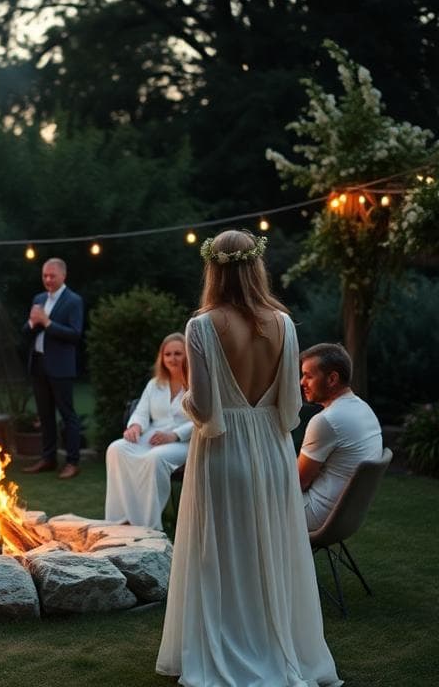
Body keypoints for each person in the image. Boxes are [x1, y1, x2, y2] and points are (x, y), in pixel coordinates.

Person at [157, 230, 339, 686]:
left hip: (224, 451)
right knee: (269, 554)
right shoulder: (284, 324)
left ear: (213, 268)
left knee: (221, 556)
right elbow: (291, 411)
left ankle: (230, 649)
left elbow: (204, 410)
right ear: (256, 265)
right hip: (273, 452)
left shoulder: (201, 326)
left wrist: (181, 404)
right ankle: (275, 646)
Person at [104, 333, 193, 530]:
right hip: (152, 436)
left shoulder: (197, 385)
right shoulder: (155, 384)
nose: (172, 358)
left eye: (178, 353)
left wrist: (175, 434)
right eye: (167, 354)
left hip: (184, 442)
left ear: (188, 355)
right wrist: (135, 426)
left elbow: (203, 419)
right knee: (116, 448)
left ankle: (149, 526)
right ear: (161, 357)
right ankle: (120, 519)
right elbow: (142, 412)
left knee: (155, 458)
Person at [298, 342, 384, 531]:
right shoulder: (363, 409)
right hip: (345, 517)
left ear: (332, 379)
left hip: (315, 516)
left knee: (245, 500)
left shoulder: (327, 421)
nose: (301, 382)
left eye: (308, 376)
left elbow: (298, 482)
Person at [21, 257, 86, 479]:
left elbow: (75, 335)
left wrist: (47, 323)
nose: (47, 279)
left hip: (61, 367)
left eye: (52, 276)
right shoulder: (38, 299)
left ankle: (72, 461)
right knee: (45, 415)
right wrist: (33, 323)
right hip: (39, 364)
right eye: (45, 276)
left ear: (63, 276)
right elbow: (27, 332)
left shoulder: (73, 301)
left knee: (68, 415)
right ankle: (48, 459)